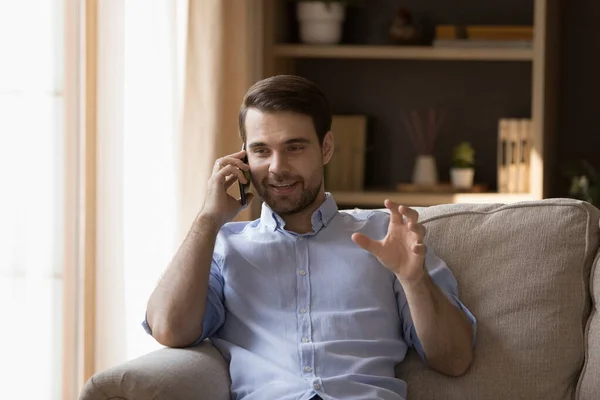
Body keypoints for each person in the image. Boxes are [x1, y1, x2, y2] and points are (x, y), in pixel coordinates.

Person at [144, 75, 476, 400]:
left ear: (326, 147)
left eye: (295, 147)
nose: (277, 167)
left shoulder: (387, 235)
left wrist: (413, 279)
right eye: (261, 151)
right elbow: (169, 329)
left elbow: (454, 360)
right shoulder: (223, 247)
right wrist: (207, 219)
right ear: (243, 159)